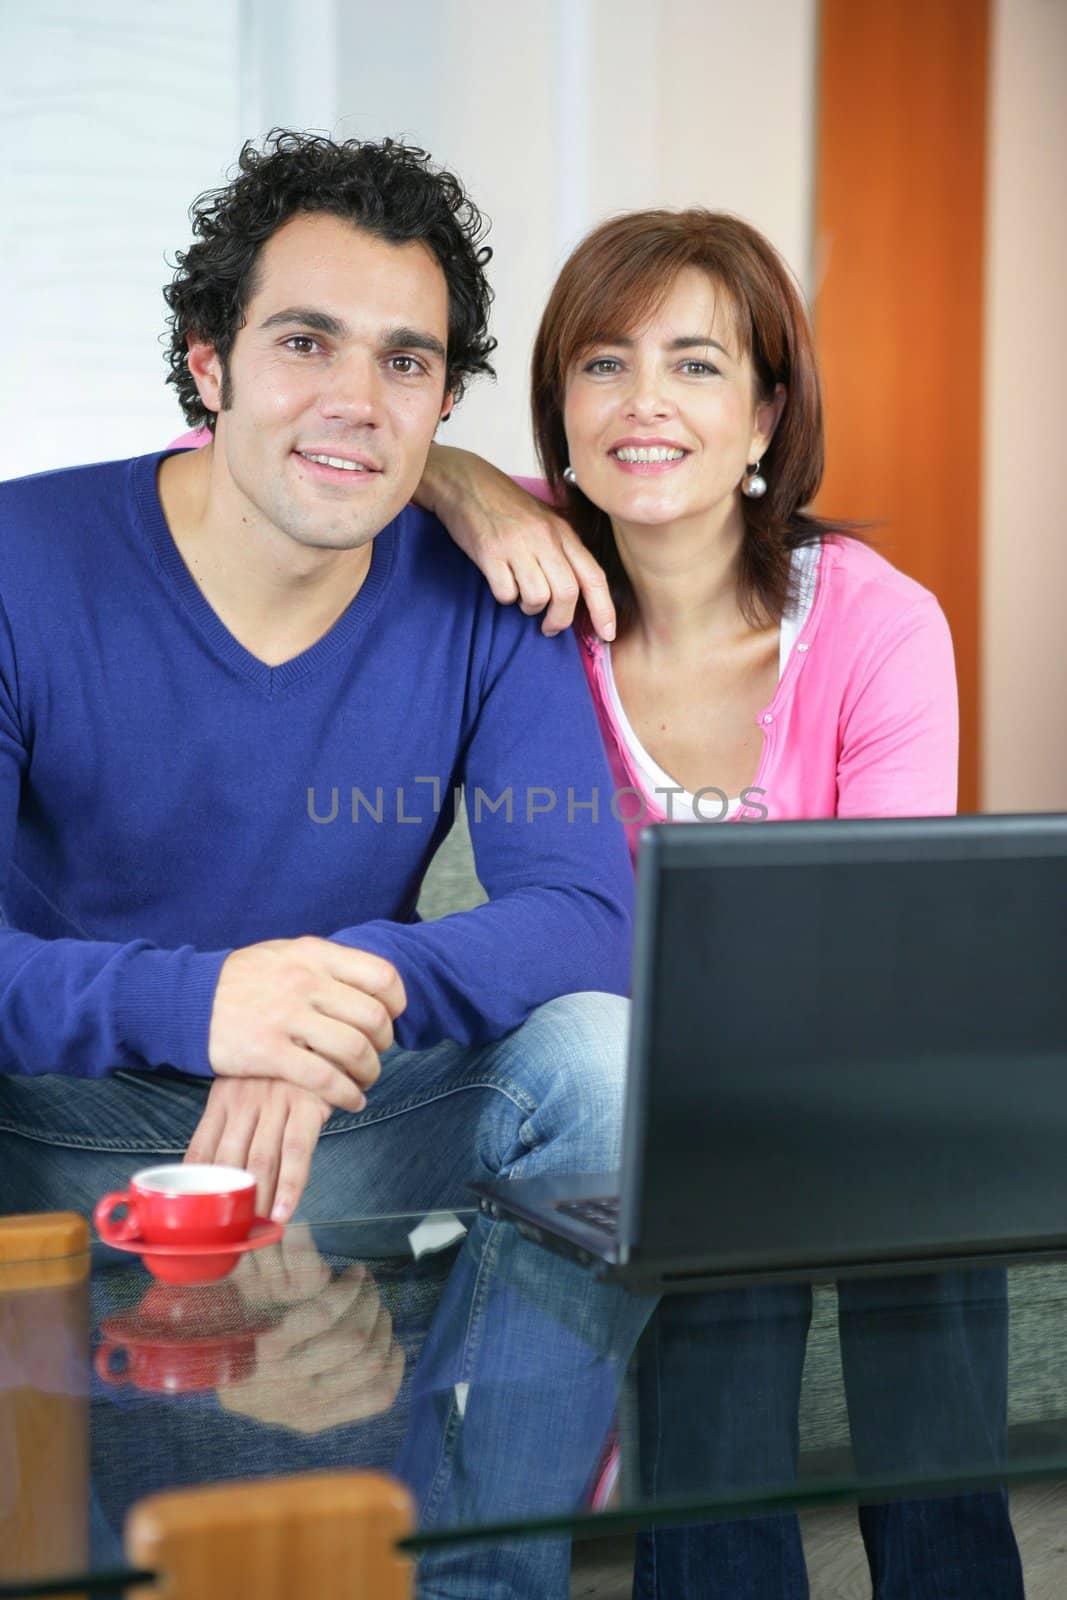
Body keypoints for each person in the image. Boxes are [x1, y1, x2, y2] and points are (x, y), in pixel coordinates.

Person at [0, 130, 655, 1599]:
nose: (357, 400)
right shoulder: (19, 563)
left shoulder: (497, 597)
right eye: (306, 341)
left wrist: (331, 999)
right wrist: (209, 1003)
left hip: (342, 1111)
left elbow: (588, 918)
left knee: (605, 1066)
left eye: (407, 363)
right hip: (51, 1125)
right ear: (208, 364)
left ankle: (492, 1578)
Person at [403, 208, 1025, 1599]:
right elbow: (260, 459)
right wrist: (452, 472)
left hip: (861, 1063)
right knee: (709, 1184)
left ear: (764, 416)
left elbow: (888, 940)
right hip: (648, 1094)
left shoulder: (876, 623)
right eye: (604, 364)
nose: (644, 404)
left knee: (919, 1165)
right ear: (559, 407)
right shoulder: (525, 600)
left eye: (695, 365)